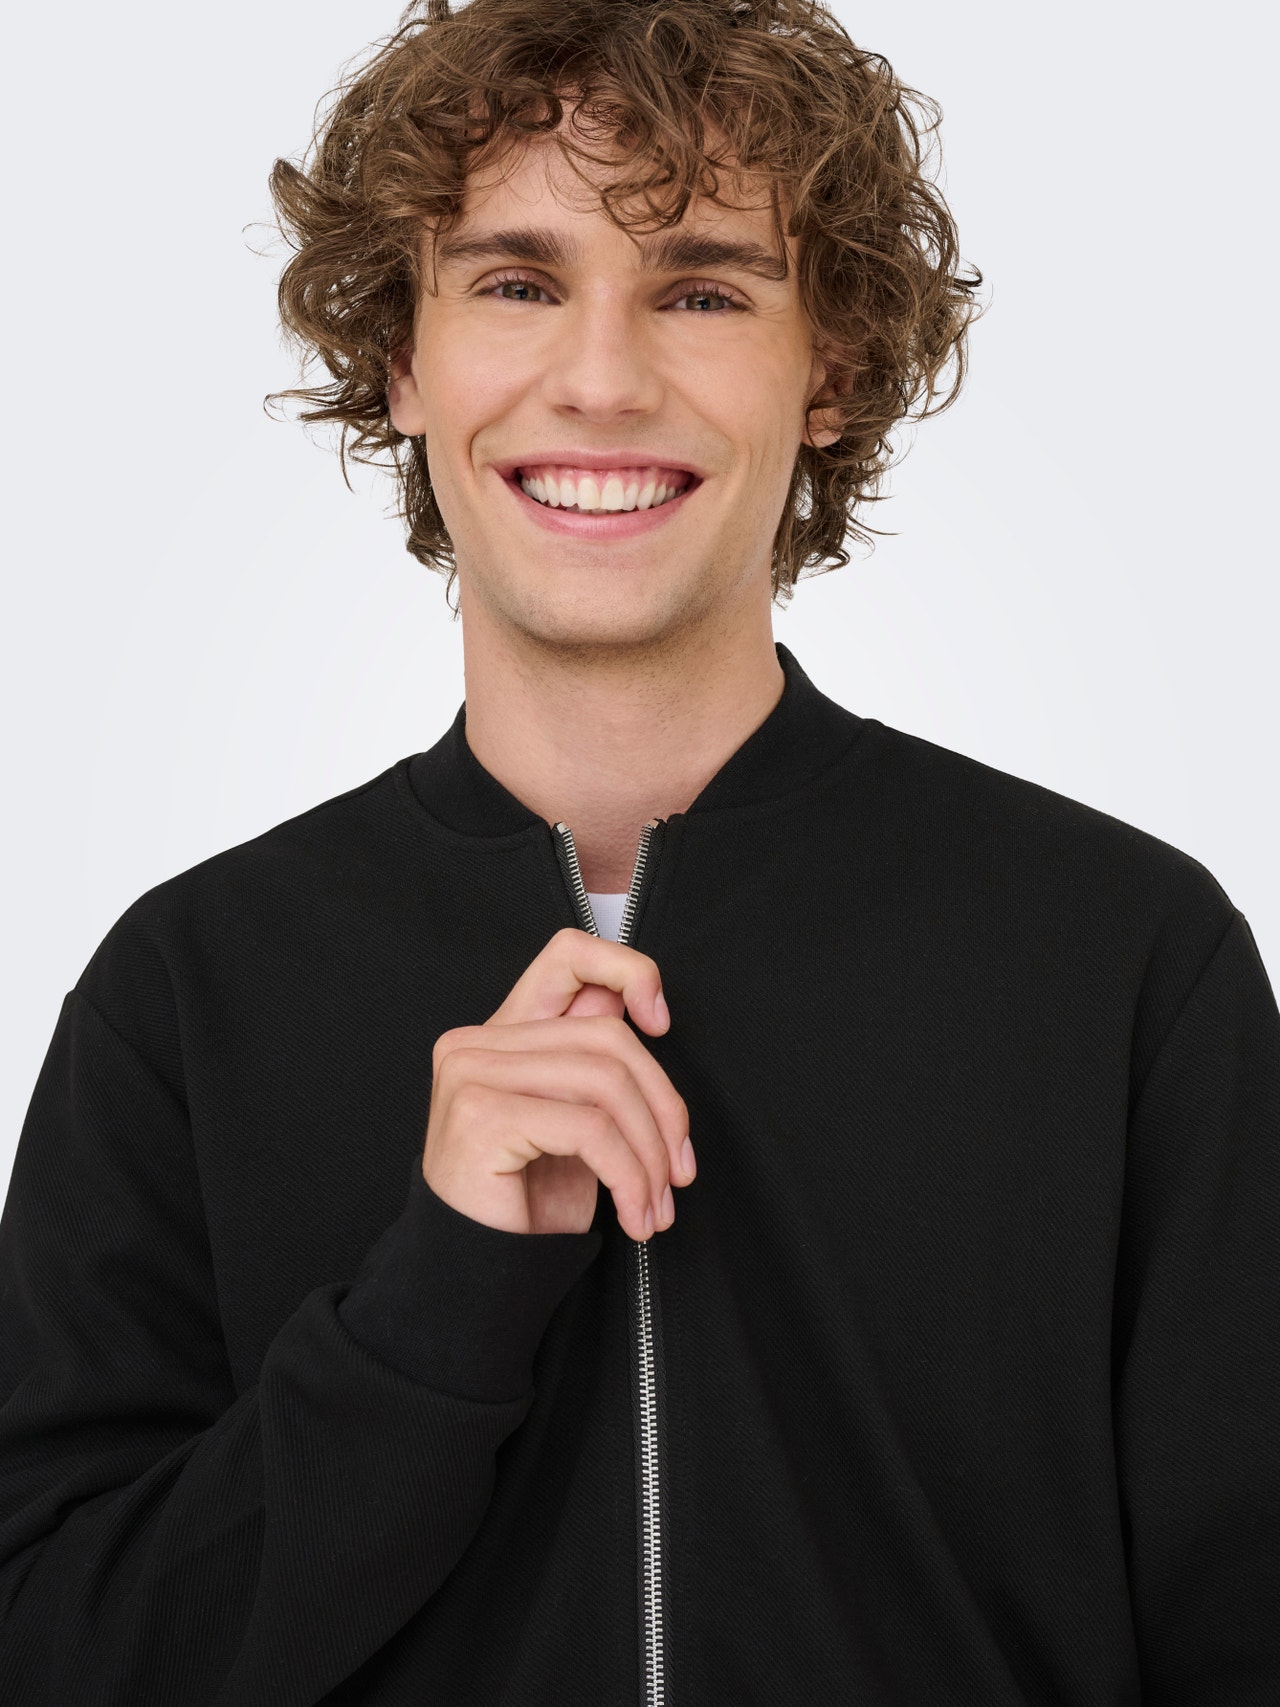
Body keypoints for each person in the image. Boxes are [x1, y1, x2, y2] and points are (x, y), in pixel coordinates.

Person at [2, 0, 1277, 1701]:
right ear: (403, 361)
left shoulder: (1123, 961)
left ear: (830, 372)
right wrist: (433, 1302)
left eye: (702, 290)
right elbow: (63, 1654)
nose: (601, 378)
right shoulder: (187, 992)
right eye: (516, 284)